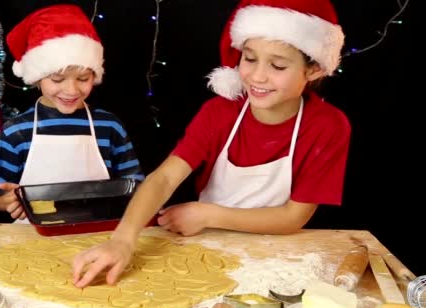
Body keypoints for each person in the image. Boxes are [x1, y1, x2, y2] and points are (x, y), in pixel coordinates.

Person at [72, 0, 350, 287]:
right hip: (204, 247)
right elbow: (166, 178)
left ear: (314, 69)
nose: (257, 76)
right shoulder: (220, 112)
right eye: (250, 58)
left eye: (278, 65)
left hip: (278, 256)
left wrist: (206, 214)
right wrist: (123, 239)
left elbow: (293, 217)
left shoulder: (328, 127)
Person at [0, 3, 144, 221]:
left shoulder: (109, 126)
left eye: (83, 79)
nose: (71, 90)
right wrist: (7, 200)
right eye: (57, 79)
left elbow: (136, 184)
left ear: (95, 76)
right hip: (34, 237)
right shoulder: (16, 131)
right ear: (37, 78)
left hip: (98, 235)